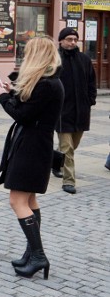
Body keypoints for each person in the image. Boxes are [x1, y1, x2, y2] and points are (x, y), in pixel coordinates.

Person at [0, 36, 64, 279]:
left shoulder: (48, 84)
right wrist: (12, 92)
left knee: (17, 201)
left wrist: (2, 97)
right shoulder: (47, 82)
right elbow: (28, 108)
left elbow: (23, 115)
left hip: (33, 147)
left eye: (28, 53)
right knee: (30, 199)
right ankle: (30, 253)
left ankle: (38, 256)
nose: (25, 58)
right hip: (34, 144)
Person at [56, 27, 96, 195]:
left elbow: (91, 83)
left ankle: (56, 161)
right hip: (62, 111)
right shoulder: (55, 59)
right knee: (68, 148)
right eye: (69, 39)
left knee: (74, 144)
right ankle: (69, 181)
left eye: (75, 39)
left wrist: (90, 101)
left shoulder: (84, 59)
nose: (72, 42)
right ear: (61, 41)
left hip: (81, 111)